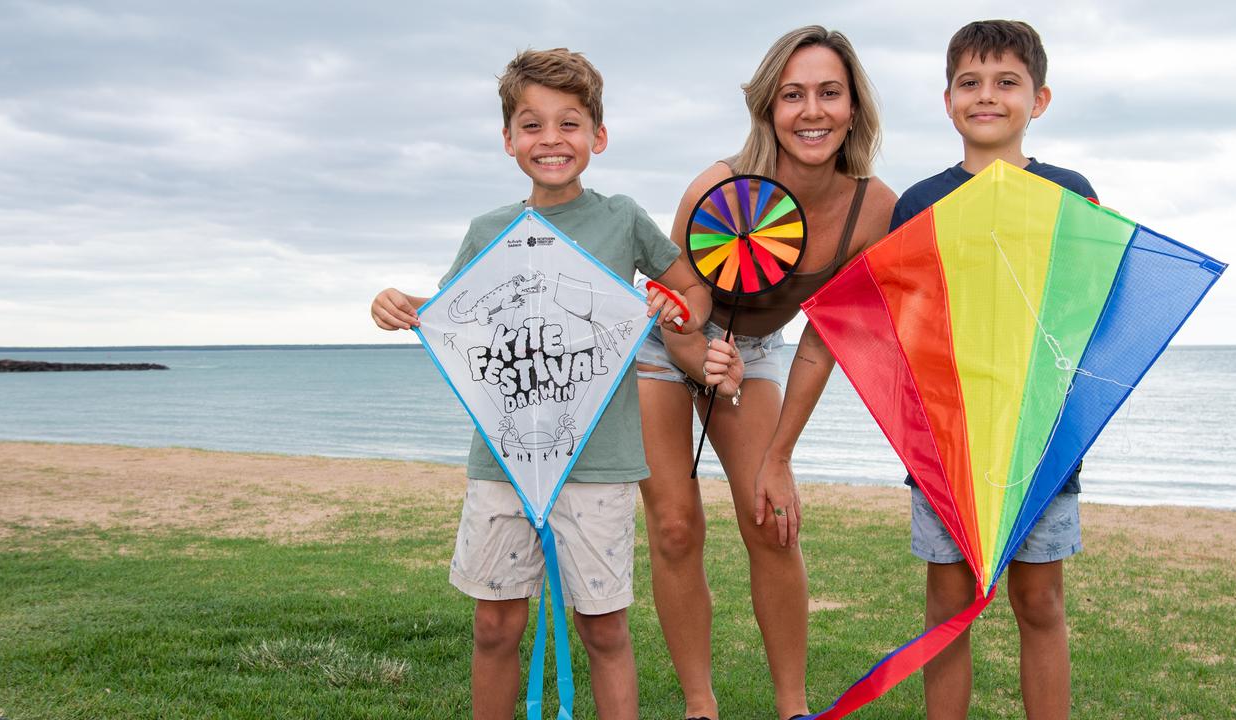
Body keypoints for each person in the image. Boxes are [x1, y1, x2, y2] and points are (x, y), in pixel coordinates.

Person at [370, 48, 709, 720]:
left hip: (602, 462)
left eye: (569, 123)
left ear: (597, 137)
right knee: (495, 626)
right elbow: (450, 314)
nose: (551, 139)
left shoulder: (622, 219)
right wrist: (398, 303)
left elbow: (692, 291)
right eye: (532, 125)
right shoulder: (487, 231)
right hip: (501, 460)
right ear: (507, 140)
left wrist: (678, 308)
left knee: (604, 629)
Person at [635, 27, 896, 720]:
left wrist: (779, 456)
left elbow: (826, 339)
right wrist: (695, 357)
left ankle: (793, 710)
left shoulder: (875, 211)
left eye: (829, 93)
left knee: (773, 518)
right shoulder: (716, 187)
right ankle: (700, 704)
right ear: (769, 108)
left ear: (852, 107)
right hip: (665, 344)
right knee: (675, 528)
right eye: (793, 95)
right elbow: (674, 299)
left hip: (756, 351)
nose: (812, 111)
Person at [889, 20, 1092, 720]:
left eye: (1007, 82)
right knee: (950, 607)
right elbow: (901, 329)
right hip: (949, 446)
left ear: (1038, 99)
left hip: (1040, 440)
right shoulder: (918, 203)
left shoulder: (1070, 192)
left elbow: (1085, 309)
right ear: (947, 100)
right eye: (970, 83)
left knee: (1039, 602)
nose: (987, 96)